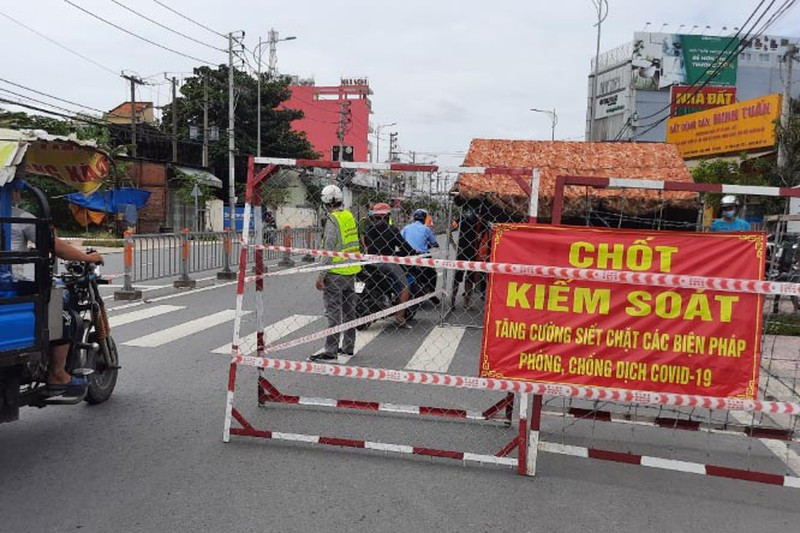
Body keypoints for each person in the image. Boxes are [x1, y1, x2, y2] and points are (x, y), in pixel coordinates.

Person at [11, 190, 103, 396]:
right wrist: (87, 258)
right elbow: (57, 246)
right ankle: (58, 374)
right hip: (11, 286)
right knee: (65, 318)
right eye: (15, 189)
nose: (18, 194)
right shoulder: (20, 217)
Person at [310, 184, 362, 362]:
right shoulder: (349, 216)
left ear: (325, 203)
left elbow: (329, 250)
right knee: (349, 312)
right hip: (351, 271)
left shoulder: (332, 220)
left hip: (335, 273)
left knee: (333, 313)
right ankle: (348, 346)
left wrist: (320, 275)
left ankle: (331, 350)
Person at [363, 202, 414, 328]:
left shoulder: (368, 229)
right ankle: (400, 316)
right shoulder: (391, 230)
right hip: (387, 263)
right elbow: (405, 247)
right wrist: (412, 252)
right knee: (405, 286)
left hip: (370, 262)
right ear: (387, 216)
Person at [402, 209, 439, 299]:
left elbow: (400, 239)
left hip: (408, 255)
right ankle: (430, 291)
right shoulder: (426, 229)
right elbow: (434, 243)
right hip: (422, 256)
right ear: (424, 218)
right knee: (433, 274)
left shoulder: (406, 228)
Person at [452, 203, 483, 308]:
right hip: (470, 250)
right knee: (465, 278)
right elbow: (450, 228)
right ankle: (463, 303)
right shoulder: (476, 219)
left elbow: (450, 228)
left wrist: (454, 245)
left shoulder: (477, 219)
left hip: (468, 250)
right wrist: (453, 244)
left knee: (462, 278)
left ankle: (459, 302)